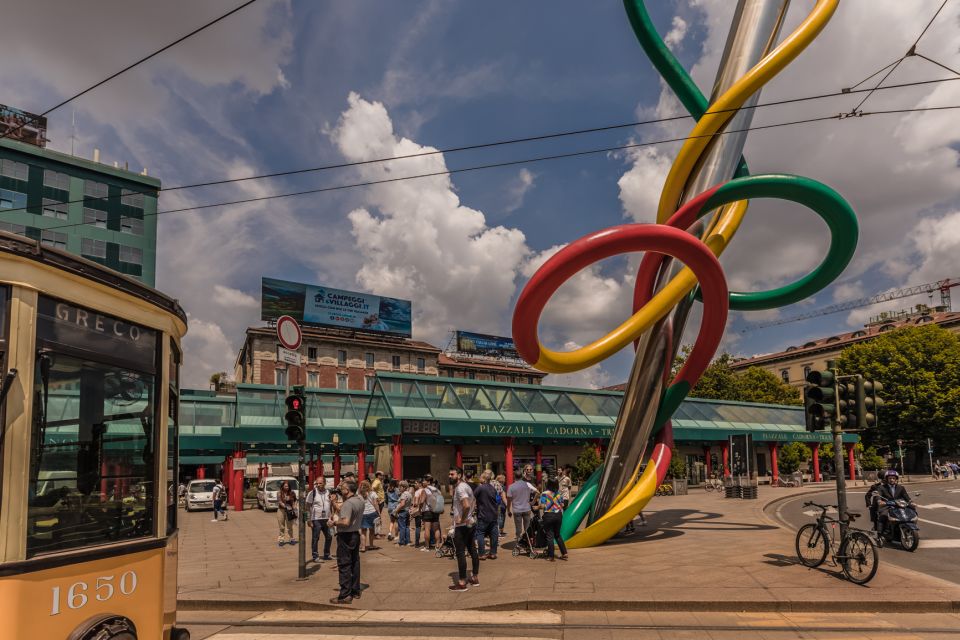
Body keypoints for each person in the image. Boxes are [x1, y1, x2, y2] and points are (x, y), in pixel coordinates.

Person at [330, 479, 364, 605]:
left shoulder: (348, 503)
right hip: (355, 534)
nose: (341, 490)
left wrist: (333, 522)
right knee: (355, 563)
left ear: (347, 490)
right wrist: (334, 502)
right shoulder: (359, 501)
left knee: (344, 564)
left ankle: (345, 595)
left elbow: (345, 522)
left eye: (342, 488)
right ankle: (355, 590)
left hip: (346, 536)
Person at [448, 466, 479, 591]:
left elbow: (466, 505)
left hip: (462, 526)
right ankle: (475, 577)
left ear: (459, 475)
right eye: (449, 474)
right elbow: (473, 501)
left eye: (452, 474)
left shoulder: (460, 488)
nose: (450, 476)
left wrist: (462, 519)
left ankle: (461, 582)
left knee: (460, 552)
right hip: (470, 523)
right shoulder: (466, 486)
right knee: (472, 550)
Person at [871, 470, 914, 536]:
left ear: (896, 479)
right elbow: (878, 495)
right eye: (890, 478)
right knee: (883, 515)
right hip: (886, 505)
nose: (892, 480)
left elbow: (906, 496)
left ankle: (910, 526)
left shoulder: (901, 487)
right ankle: (879, 535)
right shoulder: (881, 487)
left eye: (893, 478)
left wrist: (911, 502)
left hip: (898, 505)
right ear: (887, 479)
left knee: (911, 511)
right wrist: (879, 501)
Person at [539, 478, 568, 561]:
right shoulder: (559, 494)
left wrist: (538, 506)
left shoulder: (544, 494)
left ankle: (551, 556)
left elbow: (542, 506)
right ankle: (564, 553)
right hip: (558, 515)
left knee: (550, 536)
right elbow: (562, 505)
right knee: (558, 535)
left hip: (549, 515)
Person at [506, 465, 537, 540]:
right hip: (527, 508)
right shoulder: (527, 485)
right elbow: (538, 492)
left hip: (517, 510)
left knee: (518, 527)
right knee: (527, 527)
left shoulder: (511, 487)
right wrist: (533, 502)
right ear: (521, 476)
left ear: (514, 477)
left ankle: (519, 542)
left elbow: (509, 499)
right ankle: (528, 542)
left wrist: (508, 510)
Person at [474, 470, 499, 559]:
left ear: (484, 479)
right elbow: (497, 500)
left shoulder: (480, 488)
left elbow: (473, 497)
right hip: (493, 514)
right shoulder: (493, 488)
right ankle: (493, 553)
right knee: (494, 534)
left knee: (480, 533)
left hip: (483, 514)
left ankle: (481, 554)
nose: (479, 479)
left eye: (480, 477)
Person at [306, 478, 333, 562]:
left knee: (329, 536)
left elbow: (331, 505)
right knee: (315, 538)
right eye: (317, 483)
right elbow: (307, 507)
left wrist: (331, 516)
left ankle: (327, 554)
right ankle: (315, 556)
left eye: (320, 483)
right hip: (316, 519)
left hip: (327, 519)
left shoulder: (329, 492)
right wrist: (308, 520)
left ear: (324, 483)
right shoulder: (312, 493)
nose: (318, 485)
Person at [359, 480, 379, 551]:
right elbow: (376, 504)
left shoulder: (358, 494)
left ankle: (363, 547)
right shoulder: (373, 493)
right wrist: (379, 513)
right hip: (372, 513)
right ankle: (371, 545)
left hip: (363, 514)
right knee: (372, 530)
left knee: (363, 531)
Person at [276, 480, 297, 547]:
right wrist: (285, 506)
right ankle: (281, 539)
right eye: (285, 486)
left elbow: (294, 501)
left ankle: (291, 538)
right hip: (281, 510)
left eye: (287, 486)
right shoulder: (279, 493)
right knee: (281, 525)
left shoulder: (292, 493)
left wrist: (294, 508)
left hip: (290, 510)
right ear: (282, 486)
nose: (287, 487)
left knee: (289, 526)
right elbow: (279, 501)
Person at [395, 480, 412, 546]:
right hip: (407, 511)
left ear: (404, 487)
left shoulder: (404, 494)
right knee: (407, 527)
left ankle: (401, 542)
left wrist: (396, 510)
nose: (399, 488)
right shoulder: (409, 494)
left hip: (402, 512)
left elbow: (402, 504)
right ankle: (407, 541)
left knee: (402, 527)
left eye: (400, 487)